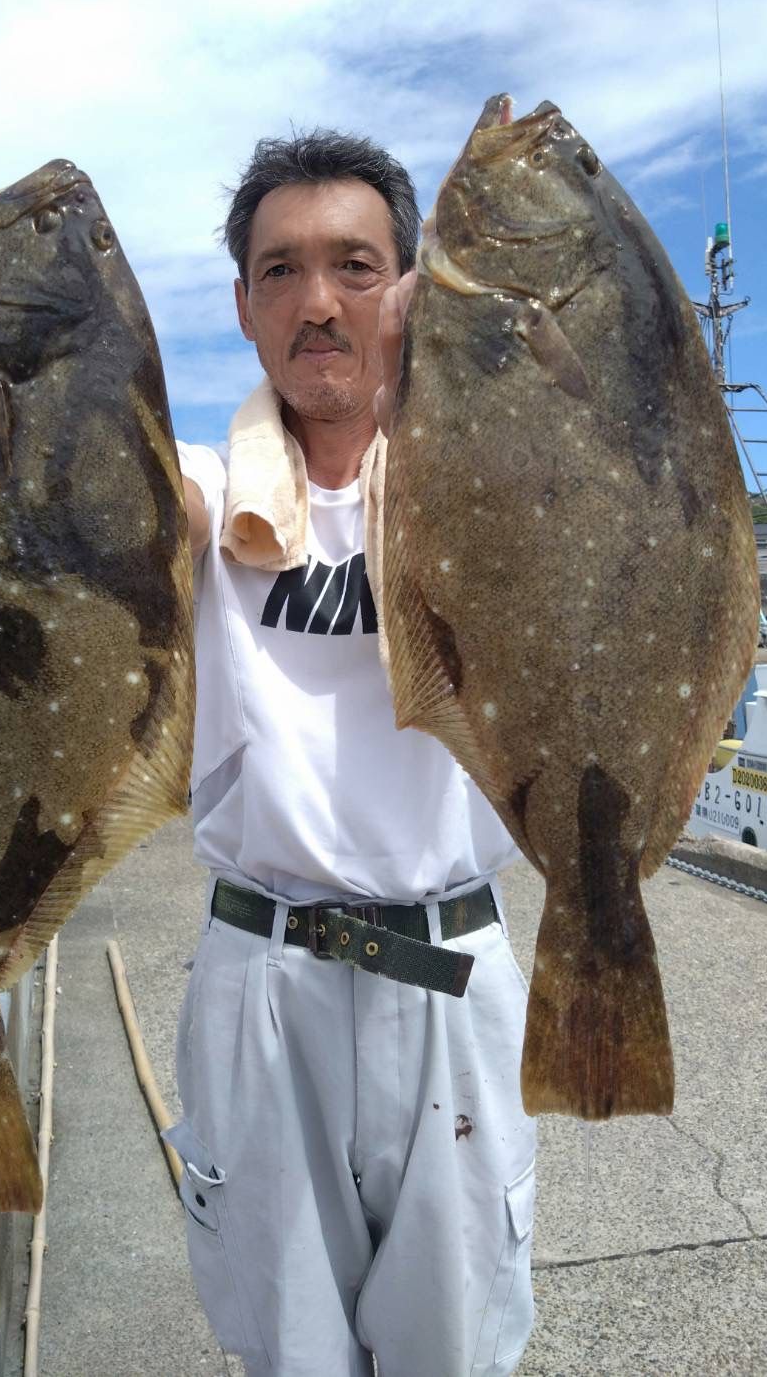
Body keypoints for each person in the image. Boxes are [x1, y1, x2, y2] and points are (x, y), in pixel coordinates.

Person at [163, 130, 537, 1377]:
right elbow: (135, 507)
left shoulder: (486, 490)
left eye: (355, 266)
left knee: (453, 1352)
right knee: (291, 1354)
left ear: (409, 290)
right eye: (280, 270)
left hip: (451, 973)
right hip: (261, 982)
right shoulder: (204, 483)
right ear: (242, 306)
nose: (317, 301)